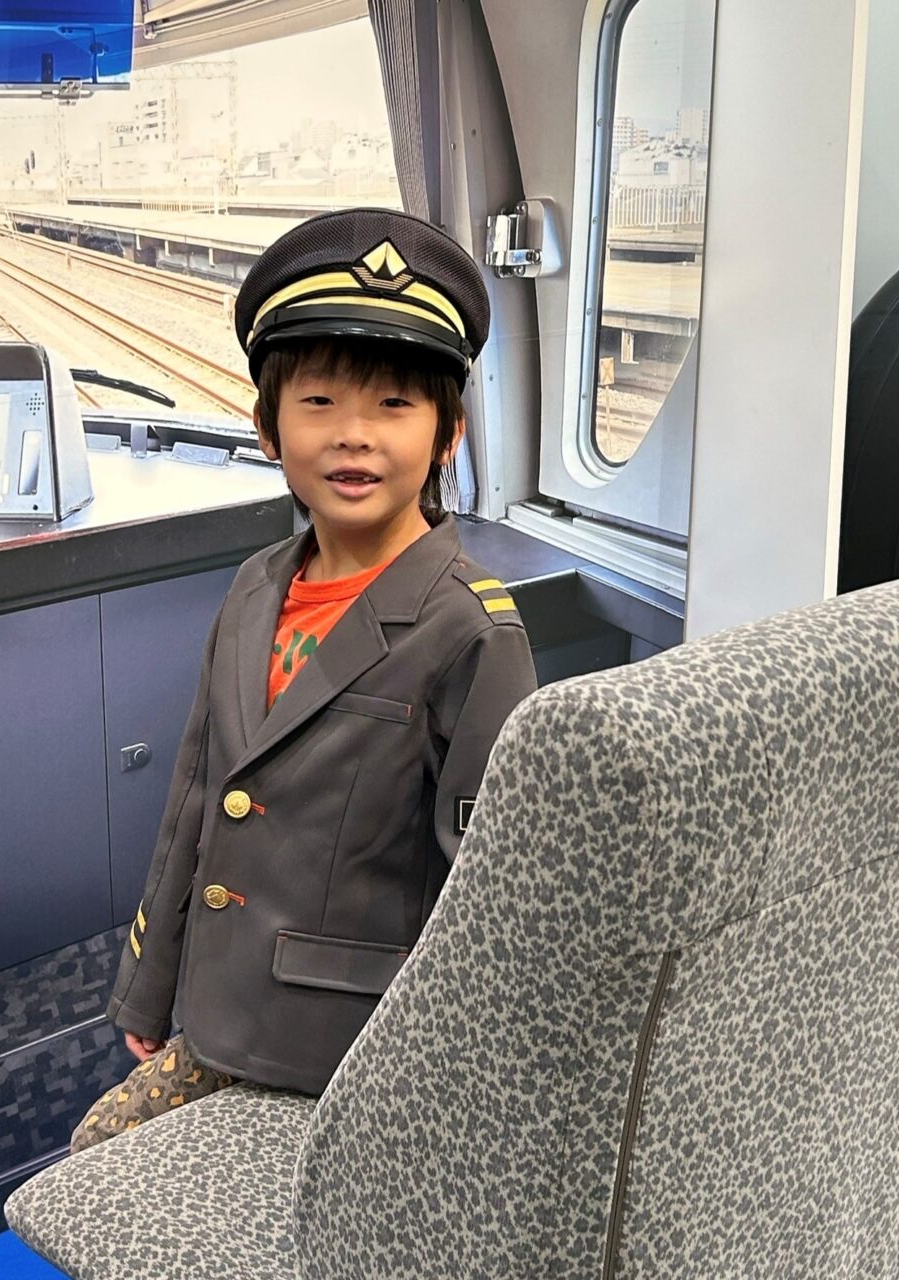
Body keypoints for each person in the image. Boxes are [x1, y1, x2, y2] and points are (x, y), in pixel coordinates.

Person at [70, 207, 537, 1151]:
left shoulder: (472, 635)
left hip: (356, 1058)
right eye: (318, 402)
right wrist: (149, 983)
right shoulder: (257, 586)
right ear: (267, 428)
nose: (353, 436)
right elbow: (198, 796)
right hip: (217, 1005)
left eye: (394, 406)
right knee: (94, 1151)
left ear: (448, 433)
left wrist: (449, 1108)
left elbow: (489, 901)